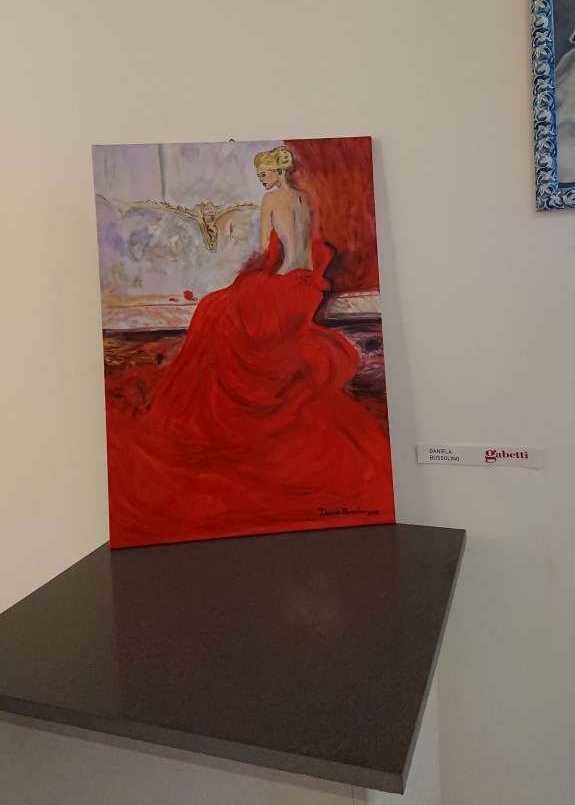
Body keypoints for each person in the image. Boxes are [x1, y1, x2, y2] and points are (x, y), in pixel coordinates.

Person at [105, 146, 395, 547]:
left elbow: (266, 252)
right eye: (259, 176)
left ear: (276, 173)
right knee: (219, 309)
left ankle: (217, 410)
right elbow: (303, 253)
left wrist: (254, 280)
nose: (261, 181)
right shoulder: (302, 200)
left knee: (212, 311)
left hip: (283, 287)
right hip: (306, 286)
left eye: (264, 175)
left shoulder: (272, 201)